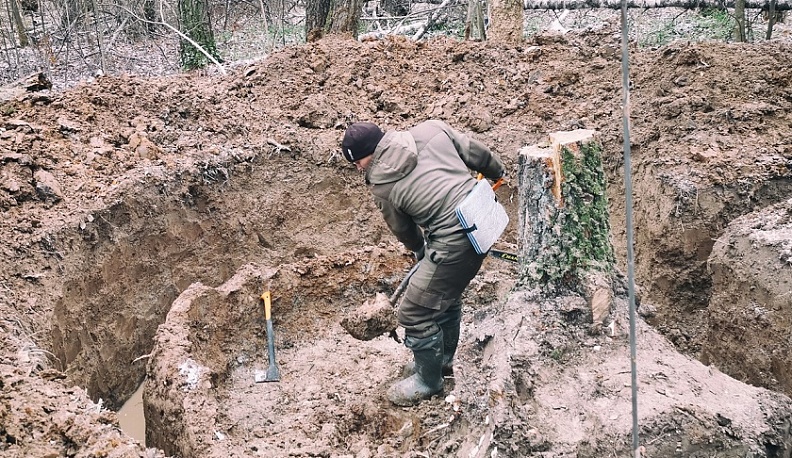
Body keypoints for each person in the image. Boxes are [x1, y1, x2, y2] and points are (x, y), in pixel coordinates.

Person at [341, 120, 506, 406]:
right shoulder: (432, 129)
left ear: (372, 151)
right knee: (440, 297)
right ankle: (441, 360)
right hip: (485, 215)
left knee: (414, 312)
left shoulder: (382, 184)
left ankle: (428, 381)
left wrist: (420, 250)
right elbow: (474, 152)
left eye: (358, 161)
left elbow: (403, 229)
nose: (358, 168)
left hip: (455, 240)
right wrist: (497, 172)